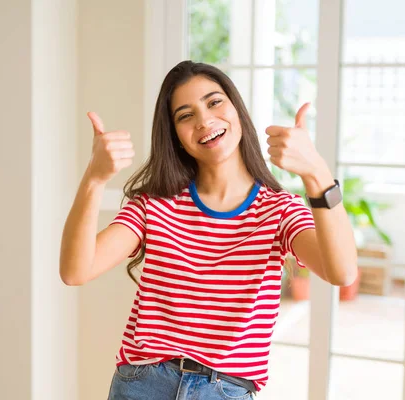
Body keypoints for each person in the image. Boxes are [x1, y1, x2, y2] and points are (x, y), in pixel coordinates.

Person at [60, 60, 357, 400]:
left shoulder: (279, 210)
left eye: (214, 102)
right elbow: (75, 270)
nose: (204, 121)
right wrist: (95, 178)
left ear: (237, 110)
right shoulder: (154, 205)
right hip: (142, 385)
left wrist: (316, 173)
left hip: (226, 390)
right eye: (185, 115)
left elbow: (342, 272)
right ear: (176, 137)